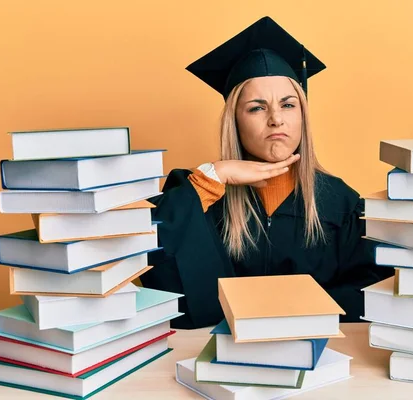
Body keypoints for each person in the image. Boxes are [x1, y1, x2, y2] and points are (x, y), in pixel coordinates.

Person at [140, 16, 393, 329]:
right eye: (256, 108)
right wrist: (216, 176)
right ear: (235, 120)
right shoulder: (199, 193)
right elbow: (160, 277)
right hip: (214, 353)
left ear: (303, 115)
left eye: (288, 105)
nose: (276, 119)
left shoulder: (340, 202)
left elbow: (370, 292)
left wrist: (294, 315)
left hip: (314, 352)